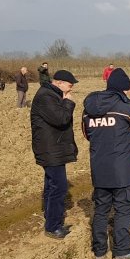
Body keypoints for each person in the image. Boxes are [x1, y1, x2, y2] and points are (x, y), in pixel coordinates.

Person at [82, 68, 130, 259]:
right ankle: (122, 250)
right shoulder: (126, 107)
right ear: (124, 89)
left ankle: (99, 251)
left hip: (99, 168)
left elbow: (87, 134)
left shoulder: (89, 108)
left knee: (101, 209)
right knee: (122, 208)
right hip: (123, 170)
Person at [30, 70, 79, 239]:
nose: (71, 89)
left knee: (52, 185)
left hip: (53, 148)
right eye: (69, 85)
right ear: (59, 83)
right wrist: (68, 103)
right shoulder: (46, 96)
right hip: (50, 150)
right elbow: (61, 119)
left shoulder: (50, 94)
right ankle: (52, 226)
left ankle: (50, 216)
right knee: (59, 187)